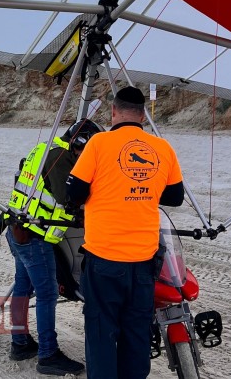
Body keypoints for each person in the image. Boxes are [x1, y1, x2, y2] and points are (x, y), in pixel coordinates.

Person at [66, 87, 184, 379]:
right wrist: (142, 189)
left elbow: (74, 192)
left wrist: (109, 188)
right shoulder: (163, 147)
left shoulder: (98, 143)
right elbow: (175, 196)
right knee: (136, 333)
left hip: (104, 259)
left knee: (101, 331)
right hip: (144, 262)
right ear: (143, 116)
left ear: (113, 112)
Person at [5, 119, 103, 376]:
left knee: (23, 288)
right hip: (34, 237)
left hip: (17, 229)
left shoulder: (46, 148)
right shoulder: (60, 159)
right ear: (77, 144)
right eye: (86, 152)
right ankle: (48, 354)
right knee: (47, 294)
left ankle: (20, 343)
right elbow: (68, 198)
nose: (87, 158)